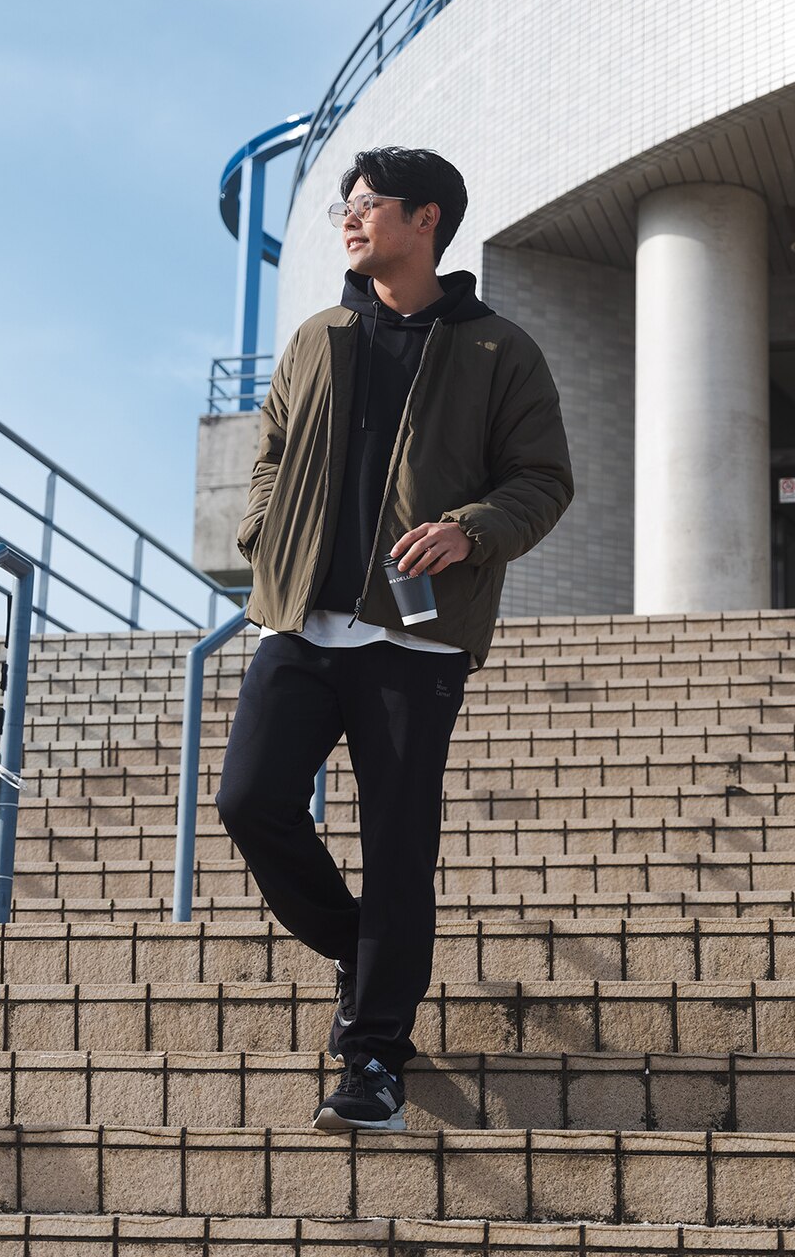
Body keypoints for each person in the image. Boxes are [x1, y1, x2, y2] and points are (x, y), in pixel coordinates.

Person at [215, 145, 574, 1132]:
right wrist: (261, 531)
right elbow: (271, 454)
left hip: (415, 640)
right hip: (304, 623)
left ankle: (373, 1059)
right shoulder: (318, 336)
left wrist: (472, 531)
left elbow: (543, 480)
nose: (349, 215)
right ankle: (358, 944)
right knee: (249, 800)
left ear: (426, 220)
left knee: (398, 844)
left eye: (369, 202)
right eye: (346, 201)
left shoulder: (498, 349)